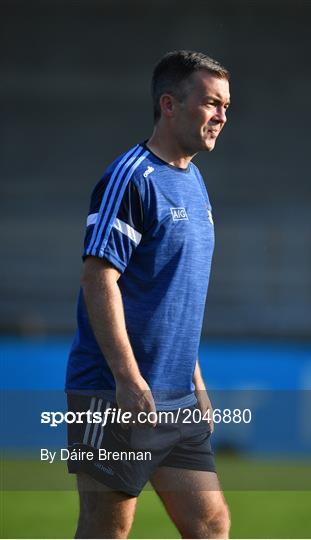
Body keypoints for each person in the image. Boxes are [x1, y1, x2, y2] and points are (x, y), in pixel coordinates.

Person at [65, 50, 231, 539]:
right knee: (107, 531)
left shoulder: (194, 181)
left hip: (175, 395)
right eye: (211, 103)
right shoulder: (130, 178)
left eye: (226, 105)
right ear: (170, 105)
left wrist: (195, 380)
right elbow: (99, 278)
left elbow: (174, 296)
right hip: (116, 392)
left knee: (210, 524)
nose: (222, 116)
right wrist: (128, 379)